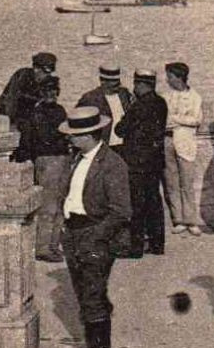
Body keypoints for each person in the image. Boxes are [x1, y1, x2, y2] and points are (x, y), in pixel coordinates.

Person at [58, 105, 134, 348]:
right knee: (88, 294)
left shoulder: (112, 164)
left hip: (95, 234)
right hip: (74, 232)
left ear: (90, 134)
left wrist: (96, 235)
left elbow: (121, 211)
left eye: (74, 135)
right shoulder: (76, 158)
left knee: (92, 295)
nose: (69, 139)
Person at [9, 74, 72, 261]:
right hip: (47, 160)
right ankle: (43, 247)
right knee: (48, 205)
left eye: (54, 90)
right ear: (41, 93)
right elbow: (44, 137)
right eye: (46, 90)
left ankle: (53, 244)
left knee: (61, 204)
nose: (51, 94)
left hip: (62, 158)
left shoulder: (60, 110)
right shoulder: (37, 113)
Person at [114, 69, 169, 254]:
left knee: (137, 204)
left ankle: (135, 247)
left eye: (136, 84)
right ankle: (157, 244)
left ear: (140, 84)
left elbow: (120, 129)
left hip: (137, 162)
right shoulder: (161, 103)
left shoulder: (137, 106)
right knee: (154, 202)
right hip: (154, 160)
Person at [163, 62, 203, 236]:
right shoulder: (166, 96)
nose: (167, 80)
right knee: (171, 181)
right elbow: (163, 120)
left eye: (170, 76)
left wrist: (176, 119)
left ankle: (191, 220)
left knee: (187, 182)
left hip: (185, 142)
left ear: (178, 77)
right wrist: (180, 119)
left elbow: (196, 119)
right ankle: (178, 218)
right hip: (168, 140)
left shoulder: (195, 97)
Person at [0, 51, 58, 135]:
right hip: (11, 116)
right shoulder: (22, 76)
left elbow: (51, 105)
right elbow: (11, 100)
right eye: (44, 72)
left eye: (49, 73)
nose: (46, 75)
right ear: (36, 68)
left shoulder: (49, 81)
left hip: (33, 119)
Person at [77, 66, 134, 151]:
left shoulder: (124, 94)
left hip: (124, 146)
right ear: (103, 81)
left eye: (117, 82)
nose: (117, 86)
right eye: (113, 83)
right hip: (103, 147)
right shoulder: (90, 98)